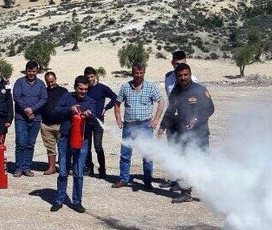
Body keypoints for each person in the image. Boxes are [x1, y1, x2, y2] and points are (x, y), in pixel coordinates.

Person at [160, 63, 215, 203]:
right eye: (180, 75)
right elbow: (170, 111)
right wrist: (162, 126)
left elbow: (210, 108)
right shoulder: (175, 92)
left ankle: (212, 192)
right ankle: (186, 192)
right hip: (184, 134)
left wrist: (196, 119)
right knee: (184, 162)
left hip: (200, 134)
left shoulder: (199, 89)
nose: (183, 78)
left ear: (190, 75)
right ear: (176, 76)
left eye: (186, 75)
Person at [112, 62, 164, 191]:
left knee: (147, 155)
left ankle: (147, 181)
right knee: (125, 154)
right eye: (136, 73)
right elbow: (117, 103)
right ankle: (124, 179)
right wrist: (118, 119)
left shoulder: (151, 86)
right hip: (129, 126)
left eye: (141, 73)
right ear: (132, 72)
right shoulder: (125, 87)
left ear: (144, 73)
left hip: (145, 125)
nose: (139, 75)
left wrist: (156, 120)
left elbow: (161, 101)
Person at [49, 76, 96, 212]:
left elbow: (94, 121)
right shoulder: (66, 97)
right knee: (63, 172)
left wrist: (89, 116)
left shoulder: (91, 101)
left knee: (78, 173)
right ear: (75, 87)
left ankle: (77, 202)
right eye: (80, 89)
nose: (83, 92)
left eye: (86, 89)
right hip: (65, 139)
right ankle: (59, 200)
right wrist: (69, 109)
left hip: (82, 140)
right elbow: (55, 111)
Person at [11, 60, 47, 176]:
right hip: (21, 117)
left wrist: (33, 109)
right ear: (26, 71)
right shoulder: (19, 82)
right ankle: (19, 167)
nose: (31, 73)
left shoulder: (41, 84)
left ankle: (27, 167)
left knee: (30, 143)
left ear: (37, 71)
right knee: (21, 142)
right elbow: (16, 96)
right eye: (29, 71)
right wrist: (25, 108)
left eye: (34, 71)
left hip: (35, 118)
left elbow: (44, 99)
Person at [83, 66, 118, 179]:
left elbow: (115, 98)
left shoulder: (102, 88)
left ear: (95, 76)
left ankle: (102, 169)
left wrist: (106, 108)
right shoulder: (84, 89)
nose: (90, 79)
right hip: (86, 121)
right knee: (86, 146)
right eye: (88, 77)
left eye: (92, 76)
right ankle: (89, 168)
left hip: (98, 122)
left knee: (98, 146)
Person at [39, 71, 68, 175]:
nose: (50, 84)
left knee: (63, 147)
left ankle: (64, 167)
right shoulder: (43, 92)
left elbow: (68, 105)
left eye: (52, 81)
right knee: (50, 147)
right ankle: (51, 167)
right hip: (46, 125)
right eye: (48, 82)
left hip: (61, 124)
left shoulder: (63, 91)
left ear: (55, 79)